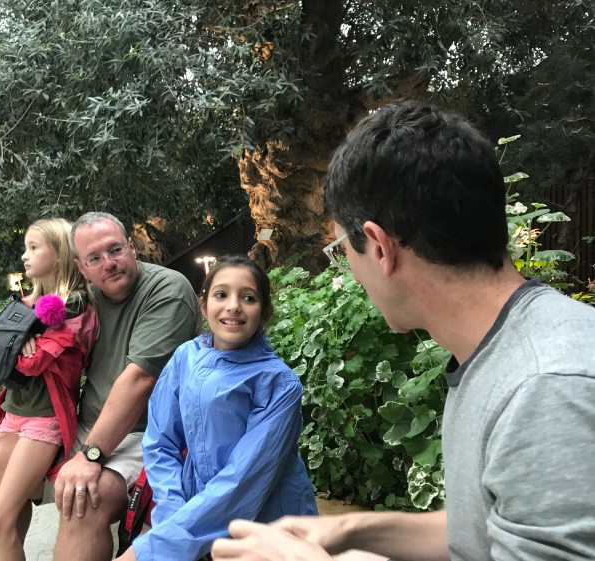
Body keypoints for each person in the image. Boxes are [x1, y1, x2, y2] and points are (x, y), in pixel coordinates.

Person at [211, 101, 595, 561]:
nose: (349, 270)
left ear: (379, 247)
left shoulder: (546, 387)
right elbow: (486, 526)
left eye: (341, 250)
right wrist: (352, 529)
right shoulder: (498, 356)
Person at [115, 255, 318, 561]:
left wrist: (155, 547)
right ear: (204, 305)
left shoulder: (278, 383)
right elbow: (160, 443)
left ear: (265, 310)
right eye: (221, 294)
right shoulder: (185, 357)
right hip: (194, 521)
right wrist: (173, 518)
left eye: (248, 298)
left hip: (270, 531)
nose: (233, 306)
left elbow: (242, 482)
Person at [51, 211, 200, 561]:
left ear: (132, 247)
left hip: (142, 431)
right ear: (81, 267)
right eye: (95, 258)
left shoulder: (167, 289)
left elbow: (139, 380)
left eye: (115, 249)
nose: (109, 263)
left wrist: (90, 455)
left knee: (84, 501)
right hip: (85, 423)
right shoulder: (87, 299)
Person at [0, 217, 98, 561]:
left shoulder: (77, 308)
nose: (25, 255)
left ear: (61, 254)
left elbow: (31, 362)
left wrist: (13, 342)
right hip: (14, 412)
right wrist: (12, 342)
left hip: (45, 419)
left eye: (34, 248)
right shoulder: (29, 303)